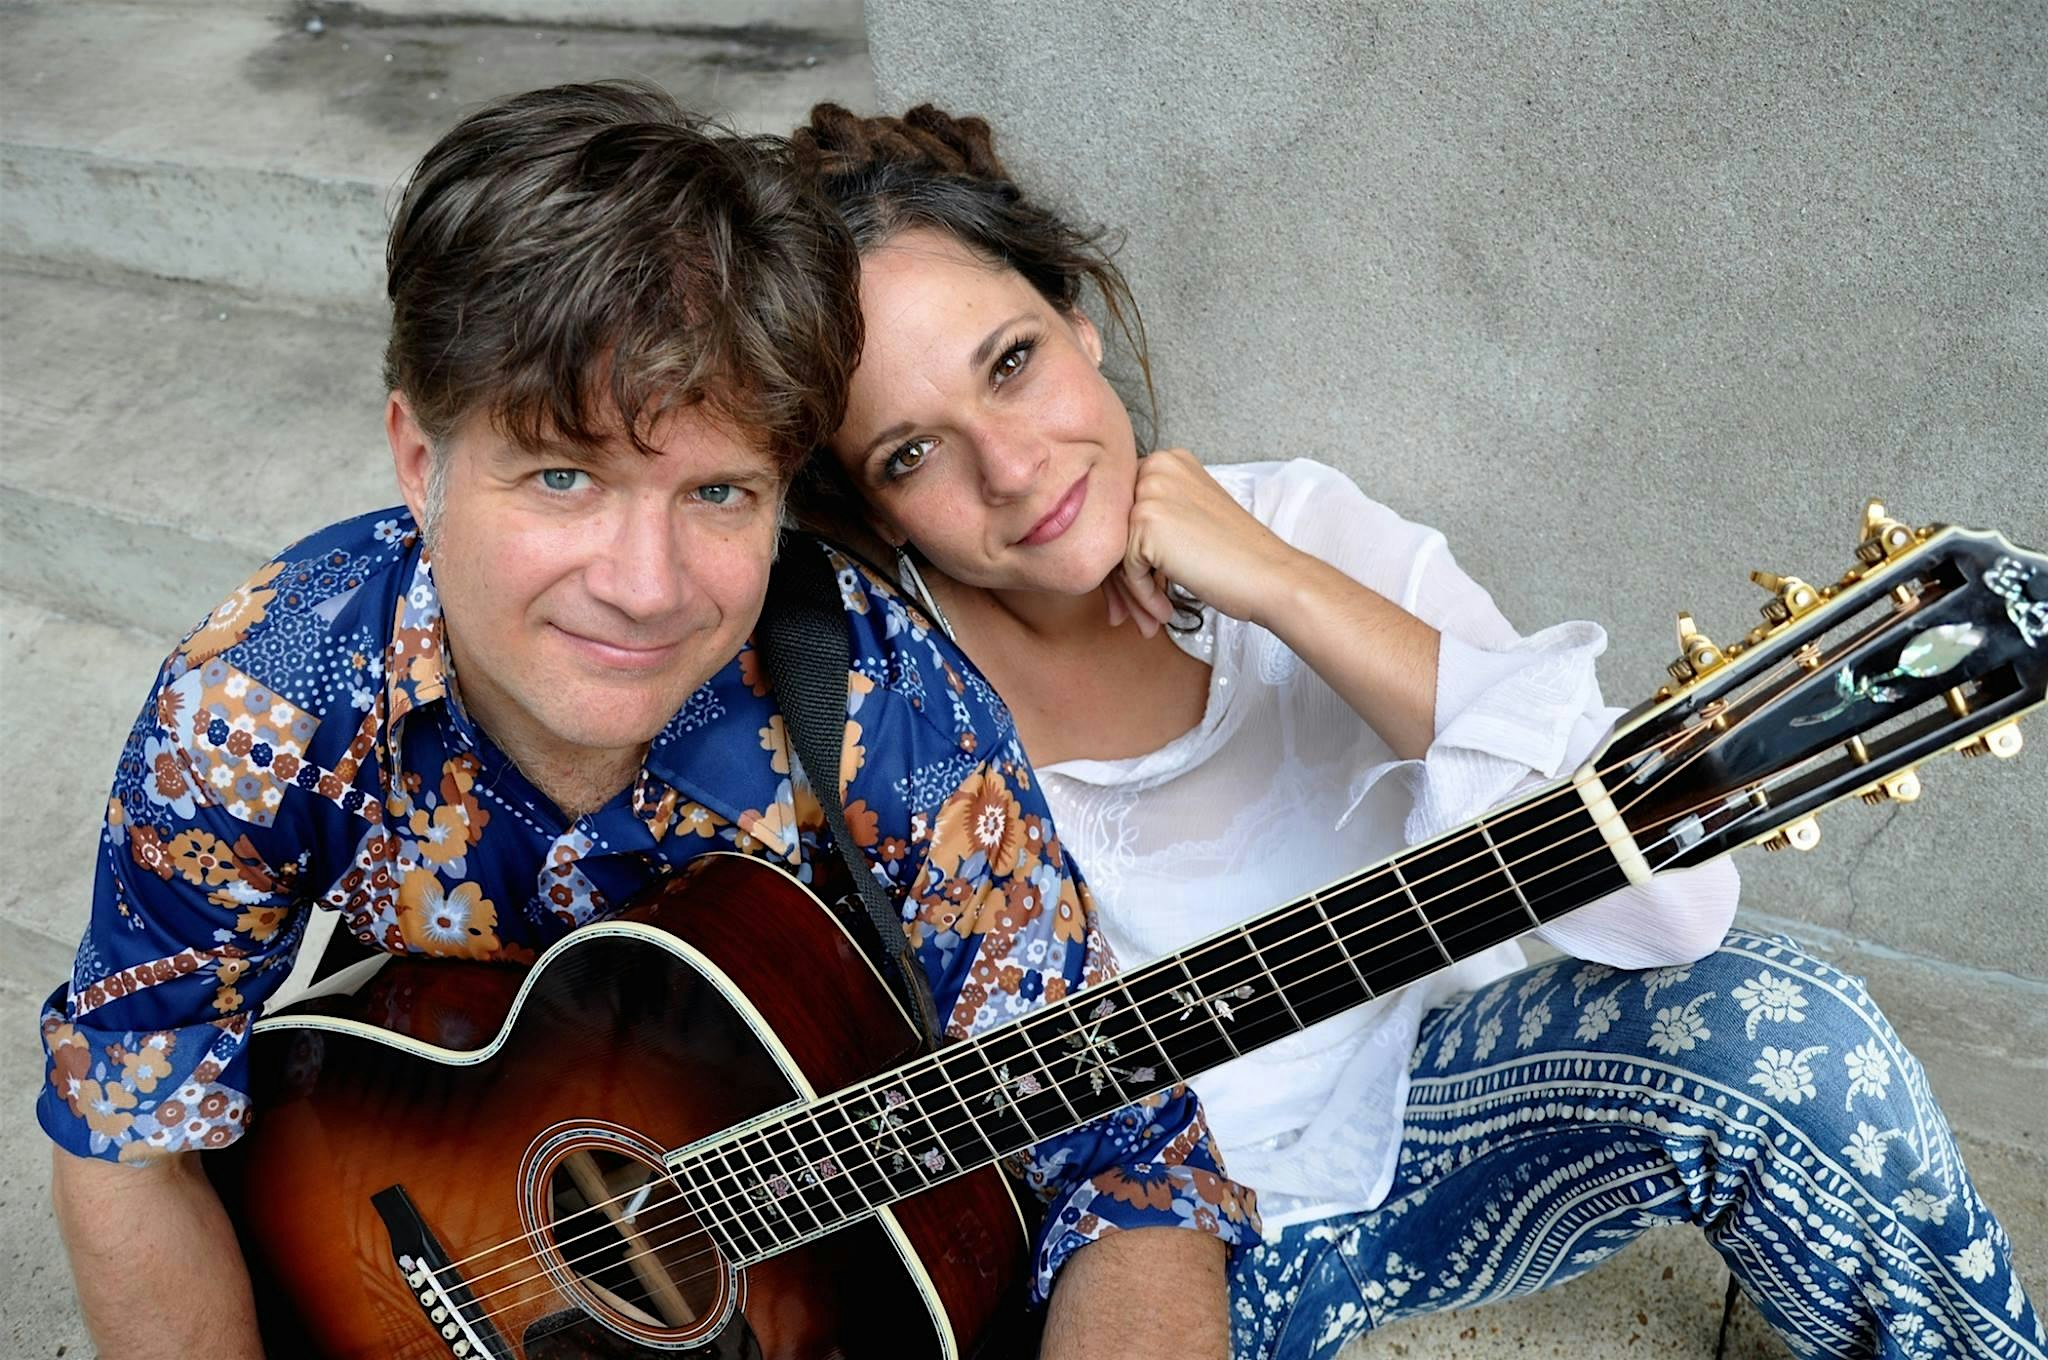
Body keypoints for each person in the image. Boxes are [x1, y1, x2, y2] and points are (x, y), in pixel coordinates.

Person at [787, 103, 2046, 1360]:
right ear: (874, 510)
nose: (1010, 468)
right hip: (1162, 1241)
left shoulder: (1301, 524)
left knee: (1789, 1034)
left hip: (1435, 1114)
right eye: (912, 452)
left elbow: (1673, 915)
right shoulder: (876, 707)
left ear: (1077, 320)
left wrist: (1284, 585)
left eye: (1010, 361)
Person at [37, 81, 1259, 1360]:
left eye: (719, 492)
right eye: (564, 475)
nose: (644, 586)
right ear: (420, 460)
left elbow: (1132, 1163)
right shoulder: (257, 706)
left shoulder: (883, 713)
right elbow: (130, 1118)